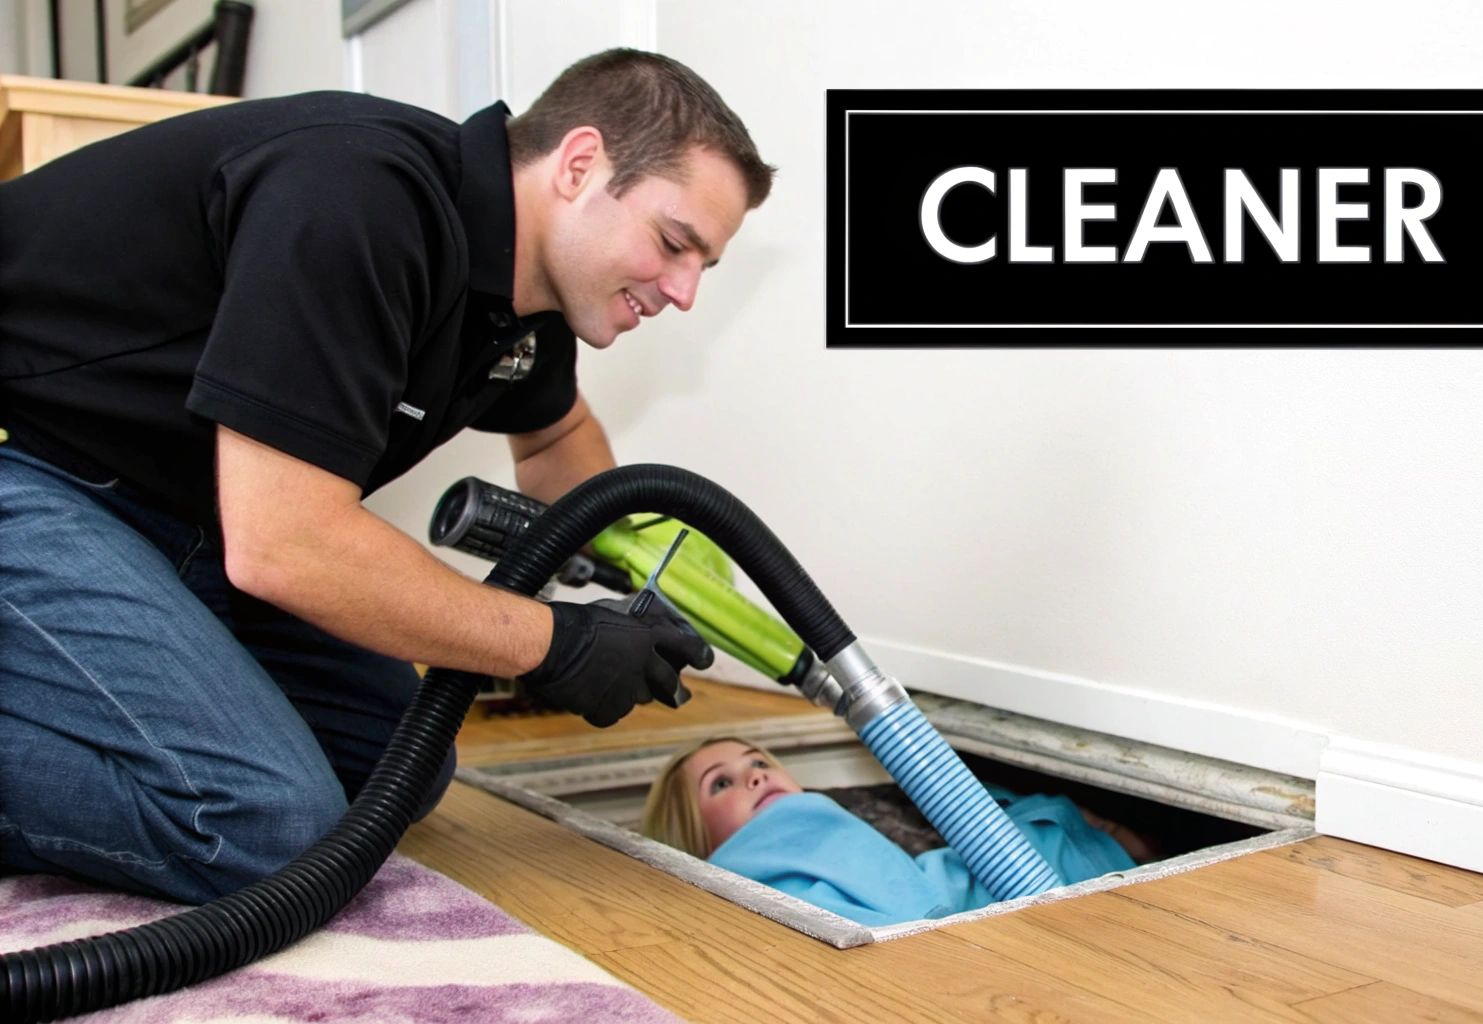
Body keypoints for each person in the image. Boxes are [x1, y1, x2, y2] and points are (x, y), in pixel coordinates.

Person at [0, 49, 773, 904]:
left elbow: (558, 437)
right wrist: (553, 641)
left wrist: (646, 576)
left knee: (396, 766)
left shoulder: (527, 297)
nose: (685, 291)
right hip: (28, 469)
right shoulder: (360, 198)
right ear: (580, 164)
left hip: (164, 516)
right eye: (674, 244)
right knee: (262, 825)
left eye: (705, 266)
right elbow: (285, 547)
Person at [640, 737, 1154, 927]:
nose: (754, 774)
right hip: (938, 923)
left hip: (956, 890)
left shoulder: (826, 824)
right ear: (693, 836)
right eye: (722, 783)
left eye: (759, 762)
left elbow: (908, 880)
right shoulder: (732, 883)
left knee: (1022, 836)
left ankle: (1107, 835)